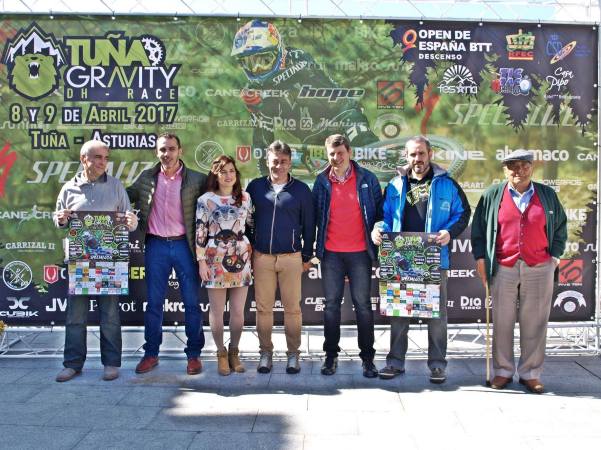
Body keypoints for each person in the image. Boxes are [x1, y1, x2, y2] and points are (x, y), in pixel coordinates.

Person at [371, 135, 470, 384]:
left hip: (432, 255)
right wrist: (378, 229)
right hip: (400, 255)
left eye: (421, 153)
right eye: (413, 154)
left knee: (436, 316)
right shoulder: (394, 185)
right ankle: (395, 363)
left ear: (430, 154)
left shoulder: (447, 184)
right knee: (399, 314)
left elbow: (463, 213)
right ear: (406, 156)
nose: (418, 159)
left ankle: (437, 365)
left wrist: (450, 232)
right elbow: (383, 216)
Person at [231, 19, 380, 177]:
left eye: (264, 60)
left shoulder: (298, 57)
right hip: (312, 139)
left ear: (278, 51)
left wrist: (266, 92)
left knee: (363, 142)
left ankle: (382, 163)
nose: (258, 69)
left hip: (344, 116)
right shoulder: (256, 92)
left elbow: (295, 73)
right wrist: (266, 177)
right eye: (250, 64)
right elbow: (263, 142)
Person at [471, 149, 567, 394]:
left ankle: (530, 373)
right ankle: (503, 371)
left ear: (532, 168)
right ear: (505, 170)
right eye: (513, 166)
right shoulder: (492, 195)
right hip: (503, 265)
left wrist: (555, 256)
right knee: (502, 321)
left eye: (524, 165)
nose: (519, 171)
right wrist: (481, 257)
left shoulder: (547, 195)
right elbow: (479, 229)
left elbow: (561, 226)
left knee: (535, 322)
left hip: (540, 265)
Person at [54, 140, 137, 382]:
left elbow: (130, 220)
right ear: (84, 159)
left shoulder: (116, 186)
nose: (103, 162)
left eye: (106, 158)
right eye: (98, 157)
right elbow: (59, 220)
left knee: (109, 315)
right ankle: (72, 364)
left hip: (109, 261)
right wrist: (61, 219)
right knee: (75, 316)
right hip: (80, 261)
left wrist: (132, 222)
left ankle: (111, 363)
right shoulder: (69, 188)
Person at [127, 133, 206, 375]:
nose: (167, 154)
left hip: (185, 246)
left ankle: (194, 355)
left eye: (171, 149)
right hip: (156, 246)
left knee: (191, 303)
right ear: (156, 152)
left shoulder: (197, 179)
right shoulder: (146, 178)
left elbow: (217, 201)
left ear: (180, 151)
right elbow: (123, 196)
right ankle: (151, 354)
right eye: (162, 149)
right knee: (154, 303)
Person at [312, 134, 383, 378]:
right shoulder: (321, 181)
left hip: (360, 254)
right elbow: (315, 215)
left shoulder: (367, 178)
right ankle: (330, 356)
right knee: (331, 306)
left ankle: (368, 359)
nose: (336, 157)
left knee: (363, 306)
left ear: (349, 152)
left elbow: (380, 212)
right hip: (331, 254)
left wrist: (378, 228)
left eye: (340, 152)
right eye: (332, 154)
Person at [246, 140, 315, 374]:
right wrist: (251, 245)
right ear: (267, 161)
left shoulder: (301, 190)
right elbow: (246, 219)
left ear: (290, 163)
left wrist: (307, 256)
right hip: (262, 257)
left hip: (291, 257)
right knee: (263, 309)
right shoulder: (255, 187)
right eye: (275, 161)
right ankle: (265, 353)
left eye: (284, 161)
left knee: (292, 309)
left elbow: (309, 225)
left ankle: (293, 354)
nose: (279, 166)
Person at [196, 155, 253, 376]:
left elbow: (251, 225)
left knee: (238, 311)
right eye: (223, 171)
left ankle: (234, 351)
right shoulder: (205, 200)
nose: (228, 175)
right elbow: (200, 232)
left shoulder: (245, 197)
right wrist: (201, 261)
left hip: (241, 256)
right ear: (215, 175)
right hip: (214, 257)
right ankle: (220, 353)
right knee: (217, 311)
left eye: (231, 171)